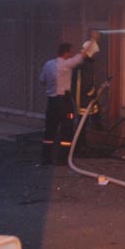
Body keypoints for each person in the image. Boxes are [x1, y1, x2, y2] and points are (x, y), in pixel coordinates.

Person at [39, 37, 99, 165]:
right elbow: (82, 56)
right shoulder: (66, 64)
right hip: (64, 103)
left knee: (50, 130)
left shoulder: (48, 64)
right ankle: (62, 159)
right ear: (66, 53)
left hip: (51, 102)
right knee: (66, 130)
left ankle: (46, 157)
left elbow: (42, 81)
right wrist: (94, 39)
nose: (71, 54)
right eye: (70, 52)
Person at [72, 30, 104, 131]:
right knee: (83, 118)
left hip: (86, 93)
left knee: (95, 110)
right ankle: (80, 137)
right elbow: (86, 82)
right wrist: (91, 92)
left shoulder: (86, 62)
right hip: (84, 95)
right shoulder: (85, 64)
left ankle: (98, 128)